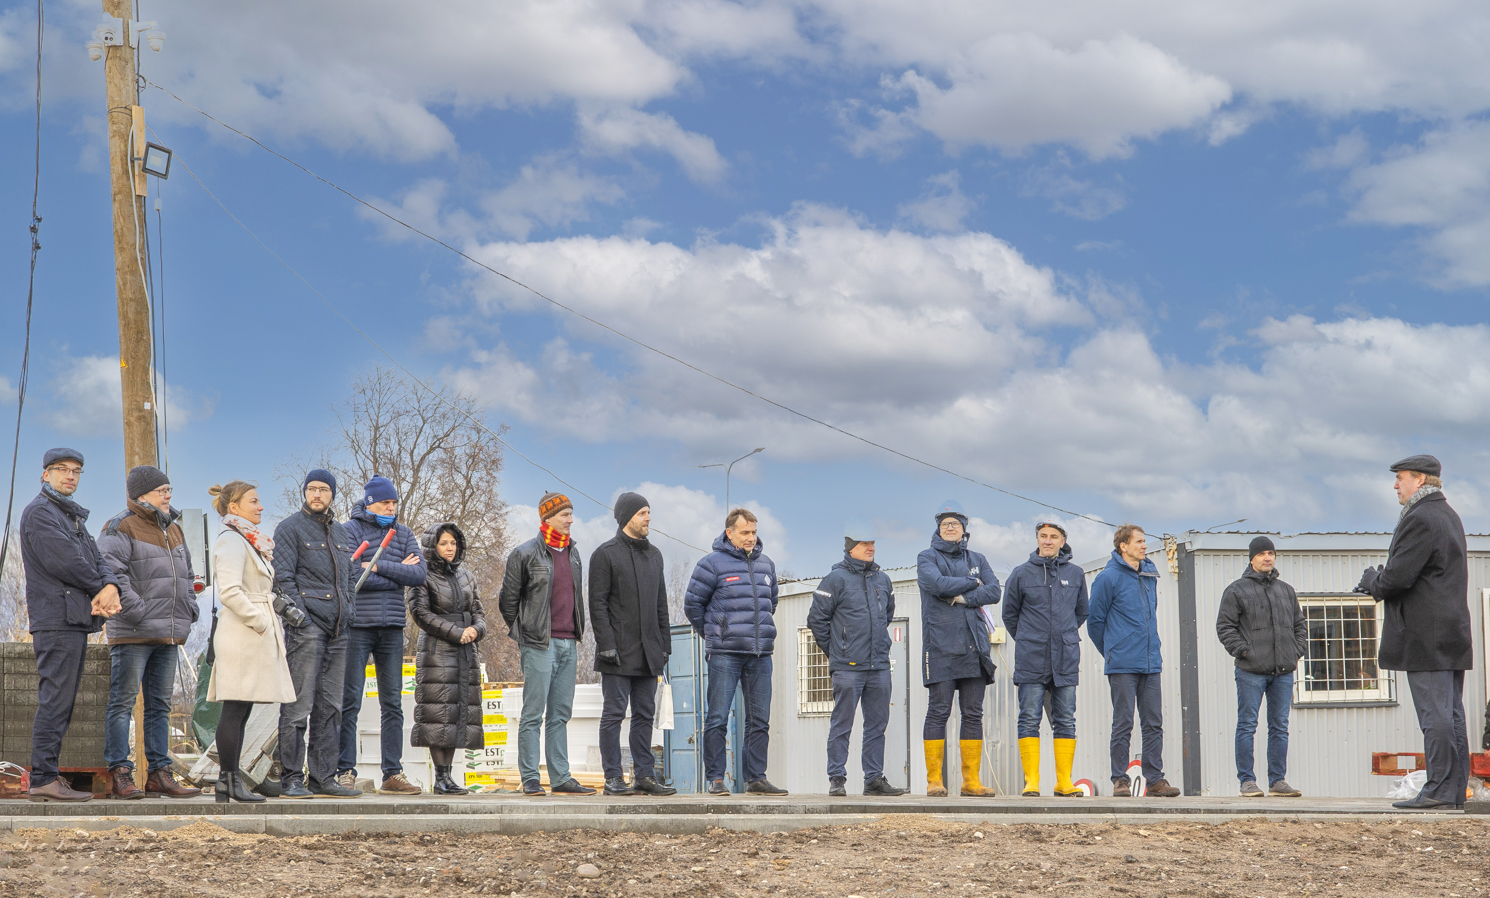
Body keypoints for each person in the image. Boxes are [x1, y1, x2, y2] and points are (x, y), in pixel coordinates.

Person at [1356, 455, 1472, 810]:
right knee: (1451, 714)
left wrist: (1371, 581)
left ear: (1419, 480)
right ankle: (1451, 791)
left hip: (1427, 636)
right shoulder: (1448, 515)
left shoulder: (1421, 518)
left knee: (1434, 715)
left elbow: (1397, 578)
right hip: (1450, 632)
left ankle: (1437, 789)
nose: (1395, 485)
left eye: (1400, 478)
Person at [18, 448, 121, 802]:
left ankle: (48, 775)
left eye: (77, 470)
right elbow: (67, 561)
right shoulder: (40, 513)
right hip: (55, 619)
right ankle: (44, 778)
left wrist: (110, 586)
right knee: (55, 700)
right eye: (61, 469)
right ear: (44, 474)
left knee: (63, 702)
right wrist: (100, 587)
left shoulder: (72, 517)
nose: (70, 476)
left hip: (73, 618)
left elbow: (96, 558)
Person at [97, 465, 202, 799]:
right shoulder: (119, 526)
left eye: (170, 489)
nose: (169, 495)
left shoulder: (175, 530)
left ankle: (159, 773)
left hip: (168, 633)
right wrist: (139, 610)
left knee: (160, 706)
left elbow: (187, 575)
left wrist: (190, 609)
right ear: (141, 495)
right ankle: (121, 774)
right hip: (132, 632)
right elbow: (110, 573)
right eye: (162, 490)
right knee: (122, 704)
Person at [499, 491, 596, 796]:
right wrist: (525, 634)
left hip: (569, 642)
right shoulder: (525, 554)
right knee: (533, 713)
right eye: (565, 515)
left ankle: (561, 778)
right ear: (547, 518)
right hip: (539, 643)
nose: (570, 520)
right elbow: (507, 602)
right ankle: (529, 776)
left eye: (571, 514)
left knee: (560, 714)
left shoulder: (574, 553)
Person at [272, 468, 361, 799]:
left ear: (333, 494)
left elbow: (348, 578)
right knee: (297, 707)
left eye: (323, 489)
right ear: (304, 493)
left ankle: (323, 777)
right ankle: (292, 778)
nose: (317, 495)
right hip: (306, 630)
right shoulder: (289, 529)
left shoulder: (341, 533)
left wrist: (348, 609)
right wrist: (303, 621)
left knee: (331, 706)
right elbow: (283, 579)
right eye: (312, 489)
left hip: (339, 630)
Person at [685, 504, 784, 795]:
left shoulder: (767, 565)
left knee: (759, 720)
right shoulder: (711, 564)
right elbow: (693, 605)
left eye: (754, 532)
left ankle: (756, 778)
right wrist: (716, 634)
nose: (751, 537)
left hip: (760, 654)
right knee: (717, 717)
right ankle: (716, 778)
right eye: (745, 532)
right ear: (729, 533)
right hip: (725, 653)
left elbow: (771, 603)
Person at [207, 481, 296, 803]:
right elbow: (230, 591)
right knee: (234, 708)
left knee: (240, 709)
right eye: (254, 501)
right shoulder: (231, 541)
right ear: (235, 507)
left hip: (252, 632)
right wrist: (259, 621)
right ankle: (228, 780)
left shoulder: (249, 541)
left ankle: (227, 781)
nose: (260, 507)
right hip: (243, 633)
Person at [338, 476, 426, 795]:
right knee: (351, 700)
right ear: (370, 502)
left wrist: (377, 567)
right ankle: (344, 769)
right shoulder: (350, 531)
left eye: (394, 503)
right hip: (358, 626)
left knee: (393, 704)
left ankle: (393, 773)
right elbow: (350, 575)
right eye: (386, 502)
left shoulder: (402, 533)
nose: (391, 507)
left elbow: (418, 574)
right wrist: (394, 570)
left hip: (391, 628)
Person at [807, 520, 907, 797]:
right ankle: (837, 779)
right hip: (848, 667)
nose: (871, 548)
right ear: (851, 548)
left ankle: (873, 779)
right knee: (842, 724)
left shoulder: (883, 579)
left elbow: (887, 615)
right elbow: (817, 620)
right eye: (865, 544)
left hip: (878, 666)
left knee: (877, 725)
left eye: (873, 544)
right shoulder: (835, 579)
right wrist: (838, 651)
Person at [589, 494, 675, 796]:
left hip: (649, 653)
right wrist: (606, 644)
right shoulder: (605, 554)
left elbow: (660, 603)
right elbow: (597, 604)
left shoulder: (655, 555)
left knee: (643, 715)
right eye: (643, 513)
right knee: (613, 714)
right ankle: (613, 777)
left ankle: (644, 775)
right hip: (617, 654)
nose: (648, 518)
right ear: (627, 517)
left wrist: (665, 644)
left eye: (649, 512)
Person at [1087, 523, 1180, 797]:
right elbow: (1095, 622)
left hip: (1151, 661)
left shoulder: (1150, 574)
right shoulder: (1108, 577)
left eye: (1144, 541)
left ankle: (1155, 780)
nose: (1144, 546)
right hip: (1122, 663)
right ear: (1123, 546)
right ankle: (1120, 779)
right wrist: (1112, 650)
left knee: (1153, 722)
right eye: (1138, 541)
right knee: (1123, 722)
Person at [915, 500, 1000, 797]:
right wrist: (971, 583)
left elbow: (994, 591)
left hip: (975, 648)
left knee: (973, 714)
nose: (950, 528)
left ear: (964, 530)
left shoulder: (978, 556)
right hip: (940, 647)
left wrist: (964, 597)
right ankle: (934, 781)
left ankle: (970, 781)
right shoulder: (926, 557)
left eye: (956, 524)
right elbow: (935, 584)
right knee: (938, 712)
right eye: (944, 524)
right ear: (938, 530)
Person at [1216, 536, 1306, 798]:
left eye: (1271, 553)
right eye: (1262, 554)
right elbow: (1225, 627)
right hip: (1250, 671)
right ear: (1252, 558)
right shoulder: (1236, 590)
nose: (1268, 558)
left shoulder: (1286, 591)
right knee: (1247, 725)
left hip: (1283, 672)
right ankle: (1247, 781)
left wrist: (1295, 651)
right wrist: (1245, 651)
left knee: (1279, 726)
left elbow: (1299, 625)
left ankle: (1278, 781)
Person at [1002, 521, 1088, 798]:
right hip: (1032, 657)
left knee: (1066, 719)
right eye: (1043, 536)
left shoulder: (1075, 574)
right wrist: (1030, 638)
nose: (1048, 541)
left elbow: (1081, 613)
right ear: (1037, 539)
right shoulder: (1020, 574)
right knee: (1029, 718)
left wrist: (1061, 636)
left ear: (1063, 541)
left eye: (1054, 537)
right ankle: (1032, 782)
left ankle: (1064, 782)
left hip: (1065, 656)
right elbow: (1009, 615)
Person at [408, 522, 486, 795]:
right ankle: (441, 778)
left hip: (466, 651)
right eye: (443, 543)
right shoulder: (422, 574)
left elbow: (478, 610)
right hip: (437, 650)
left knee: (456, 713)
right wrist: (456, 633)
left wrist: (476, 629)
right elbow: (420, 614)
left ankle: (448, 777)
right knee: (438, 712)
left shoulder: (466, 575)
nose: (449, 548)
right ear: (433, 546)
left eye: (453, 543)